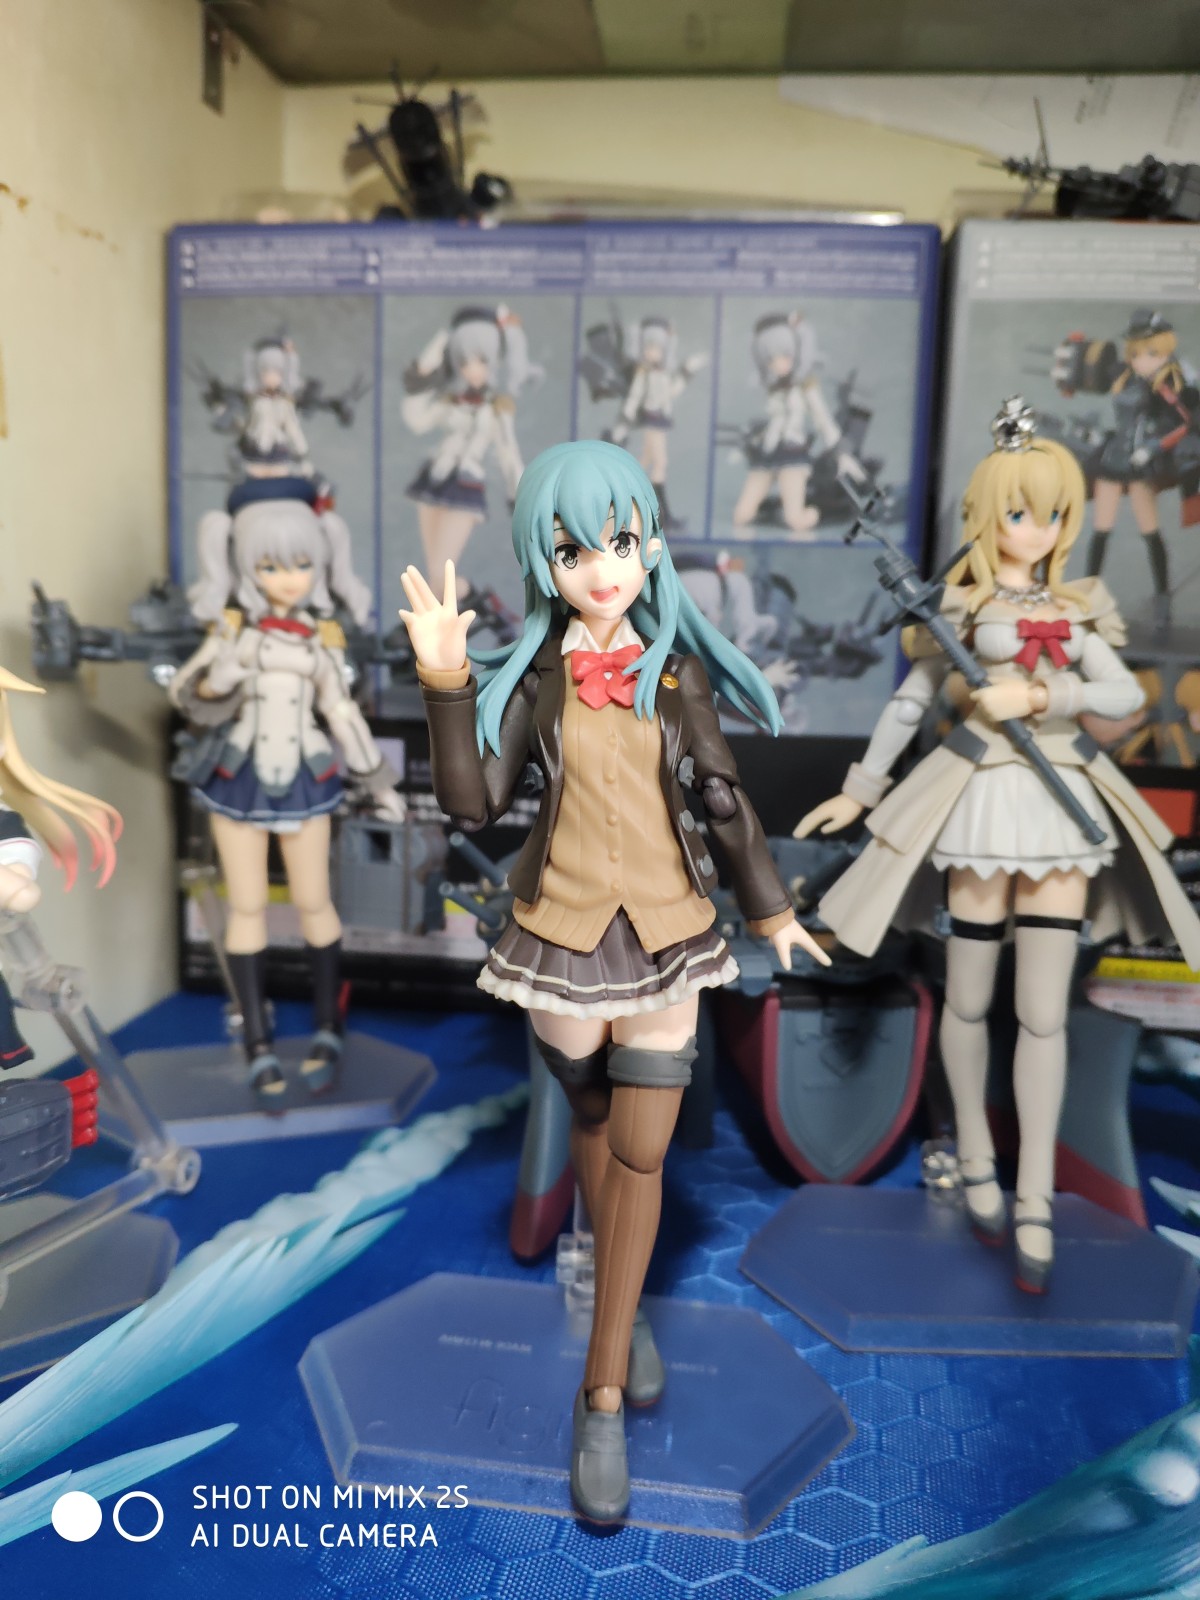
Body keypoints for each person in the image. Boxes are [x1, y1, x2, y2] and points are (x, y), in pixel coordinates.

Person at [398, 439, 828, 1523]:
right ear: (546, 563)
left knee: (641, 1148)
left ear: (650, 547)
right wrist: (446, 679)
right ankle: (622, 1306)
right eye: (573, 550)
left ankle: (599, 1398)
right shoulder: (540, 679)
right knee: (591, 1118)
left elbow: (723, 799)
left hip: (670, 934)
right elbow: (472, 804)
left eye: (620, 543)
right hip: (561, 934)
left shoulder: (675, 674)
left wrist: (772, 908)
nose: (601, 568)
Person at [796, 402, 1200, 1295]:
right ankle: (976, 1151)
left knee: (1046, 1012)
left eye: (1053, 513)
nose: (1038, 529)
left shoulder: (1078, 606)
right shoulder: (960, 606)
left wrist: (1042, 698)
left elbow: (1125, 695)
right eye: (1020, 512)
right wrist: (861, 788)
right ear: (987, 516)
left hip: (1060, 802)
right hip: (982, 798)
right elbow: (910, 701)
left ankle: (1036, 1192)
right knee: (971, 997)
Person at [171, 493, 402, 1096]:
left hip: (305, 774)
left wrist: (376, 780)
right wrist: (222, 674)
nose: (288, 578)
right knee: (246, 905)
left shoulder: (324, 636)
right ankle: (257, 1040)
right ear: (247, 568)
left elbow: (341, 712)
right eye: (270, 565)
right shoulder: (232, 630)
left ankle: (328, 1026)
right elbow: (188, 694)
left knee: (314, 900)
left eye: (300, 563)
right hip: (240, 773)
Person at [401, 305, 540, 574]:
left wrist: (521, 498)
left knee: (441, 574)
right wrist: (432, 355)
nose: (473, 370)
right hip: (434, 478)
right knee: (434, 576)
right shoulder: (450, 401)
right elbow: (416, 420)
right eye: (464, 361)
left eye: (482, 360)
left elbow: (509, 454)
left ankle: (480, 603)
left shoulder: (497, 408)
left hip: (466, 483)